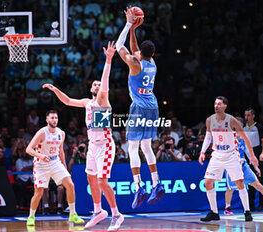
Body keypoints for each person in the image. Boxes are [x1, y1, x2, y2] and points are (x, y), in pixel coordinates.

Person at [43, 42, 124, 231]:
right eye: (94, 84)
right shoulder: (87, 102)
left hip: (105, 145)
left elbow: (105, 81)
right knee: (91, 179)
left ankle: (116, 215)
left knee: (103, 181)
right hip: (93, 146)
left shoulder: (103, 101)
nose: (97, 85)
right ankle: (98, 211)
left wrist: (109, 60)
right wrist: (55, 90)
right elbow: (69, 100)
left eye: (99, 84)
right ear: (90, 89)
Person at [115, 6, 165, 209]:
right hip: (153, 107)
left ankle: (139, 187)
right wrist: (135, 31)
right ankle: (157, 183)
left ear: (140, 53)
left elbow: (120, 45)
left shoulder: (135, 64)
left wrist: (129, 24)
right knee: (147, 147)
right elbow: (136, 49)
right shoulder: (152, 63)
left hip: (139, 108)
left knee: (133, 148)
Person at [199, 96, 259, 222]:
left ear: (225, 106)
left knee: (239, 183)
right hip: (217, 155)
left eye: (219, 104)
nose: (216, 106)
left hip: (231, 155)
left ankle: (247, 211)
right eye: (215, 103)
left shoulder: (232, 121)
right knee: (208, 183)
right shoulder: (210, 120)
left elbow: (245, 138)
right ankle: (214, 212)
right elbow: (208, 137)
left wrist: (252, 156)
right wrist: (202, 152)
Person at [25, 110, 84, 226]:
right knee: (39, 193)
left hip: (55, 162)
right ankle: (31, 216)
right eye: (52, 118)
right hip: (41, 165)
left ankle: (73, 214)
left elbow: (61, 152)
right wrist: (40, 155)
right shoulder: (42, 133)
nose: (54, 120)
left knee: (70, 185)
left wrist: (65, 168)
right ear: (47, 120)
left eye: (56, 118)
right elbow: (29, 149)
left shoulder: (61, 133)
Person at [224, 117, 263, 215]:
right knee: (231, 188)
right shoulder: (228, 138)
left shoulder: (244, 139)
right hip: (231, 166)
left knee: (258, 185)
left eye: (240, 126)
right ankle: (227, 207)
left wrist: (256, 166)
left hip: (243, 165)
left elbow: (249, 154)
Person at [244, 108, 263, 211]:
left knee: (260, 180)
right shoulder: (243, 128)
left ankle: (262, 204)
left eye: (248, 115)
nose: (246, 117)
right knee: (250, 180)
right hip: (247, 154)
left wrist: (262, 153)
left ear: (253, 116)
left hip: (257, 152)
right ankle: (251, 205)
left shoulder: (259, 127)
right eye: (245, 115)